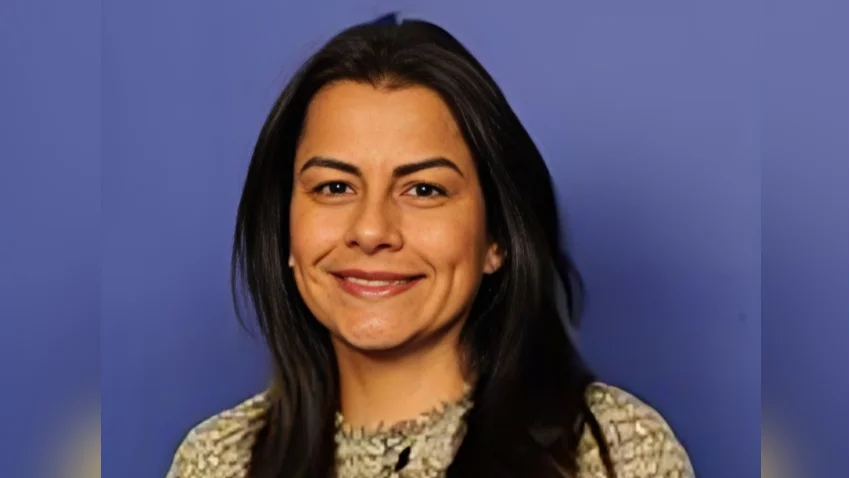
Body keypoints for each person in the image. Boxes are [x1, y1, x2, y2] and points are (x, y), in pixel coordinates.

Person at [166, 18, 694, 478]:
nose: (371, 231)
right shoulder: (219, 461)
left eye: (424, 190)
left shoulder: (612, 454)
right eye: (334, 187)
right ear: (284, 230)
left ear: (497, 239)